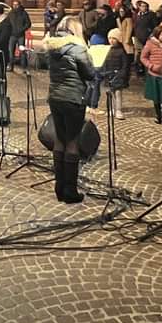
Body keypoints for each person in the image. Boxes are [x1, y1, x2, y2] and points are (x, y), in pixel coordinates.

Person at [45, 16, 95, 203]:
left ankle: (59, 187)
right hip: (73, 98)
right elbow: (89, 74)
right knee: (72, 141)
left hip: (55, 97)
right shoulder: (78, 49)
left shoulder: (53, 47)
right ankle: (70, 191)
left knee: (60, 139)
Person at [141, 26, 162, 124]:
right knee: (157, 97)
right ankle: (158, 116)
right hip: (154, 74)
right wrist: (151, 66)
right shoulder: (150, 44)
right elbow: (143, 57)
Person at [103, 27, 130, 119]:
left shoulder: (122, 51)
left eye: (114, 38)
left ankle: (118, 110)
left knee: (118, 93)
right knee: (111, 93)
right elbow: (104, 62)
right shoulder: (107, 50)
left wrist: (122, 74)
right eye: (110, 38)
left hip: (118, 75)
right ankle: (112, 109)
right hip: (109, 74)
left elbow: (125, 65)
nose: (111, 40)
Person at [133, 1, 157, 76]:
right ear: (139, 7)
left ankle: (147, 71)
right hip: (138, 38)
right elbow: (135, 26)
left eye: (145, 6)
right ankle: (140, 70)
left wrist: (151, 34)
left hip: (147, 37)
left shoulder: (151, 15)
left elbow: (155, 25)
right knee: (139, 55)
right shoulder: (137, 15)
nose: (144, 8)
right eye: (142, 6)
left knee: (147, 54)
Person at [8, 0, 32, 73]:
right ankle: (11, 66)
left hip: (20, 35)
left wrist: (22, 30)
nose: (15, 6)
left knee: (22, 52)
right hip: (12, 35)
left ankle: (24, 67)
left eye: (16, 5)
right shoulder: (10, 13)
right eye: (14, 5)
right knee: (10, 51)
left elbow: (28, 23)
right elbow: (7, 22)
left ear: (19, 5)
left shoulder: (24, 13)